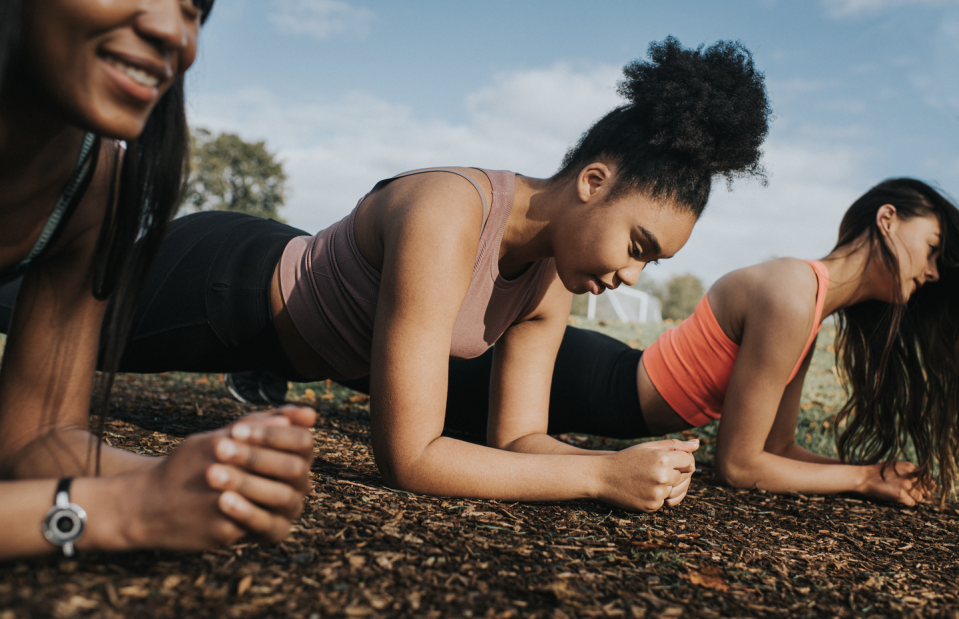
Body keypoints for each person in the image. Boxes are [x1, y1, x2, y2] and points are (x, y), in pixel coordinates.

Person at [1, 37, 772, 513]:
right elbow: (410, 456)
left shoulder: (550, 279)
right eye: (638, 244)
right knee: (16, 293)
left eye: (653, 260)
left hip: (279, 332)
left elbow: (518, 436)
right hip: (221, 286)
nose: (633, 275)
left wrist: (618, 464)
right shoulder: (449, 209)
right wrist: (599, 481)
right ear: (593, 181)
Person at [336, 178, 959, 507]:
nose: (932, 273)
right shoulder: (792, 291)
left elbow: (778, 448)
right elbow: (741, 468)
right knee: (373, 355)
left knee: (403, 367)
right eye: (933, 250)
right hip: (595, 382)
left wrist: (875, 475)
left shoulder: (810, 305)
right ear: (887, 219)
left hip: (603, 383)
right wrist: (863, 479)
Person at [0, 0, 316, 560]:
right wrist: (111, 513)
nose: (171, 30)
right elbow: (105, 509)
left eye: (194, 8)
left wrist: (192, 480)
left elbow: (37, 436)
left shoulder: (95, 184)